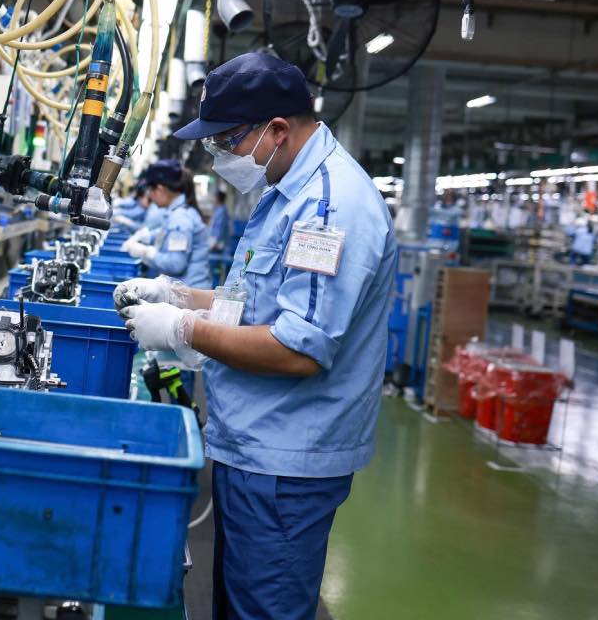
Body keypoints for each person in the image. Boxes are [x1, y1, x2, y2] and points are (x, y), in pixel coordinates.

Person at [114, 52, 397, 620]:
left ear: (276, 130)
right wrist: (175, 295)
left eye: (226, 141)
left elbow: (297, 349)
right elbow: (251, 307)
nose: (218, 156)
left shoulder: (328, 207)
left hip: (285, 464)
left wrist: (180, 328)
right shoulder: (286, 189)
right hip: (256, 448)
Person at [123, 160, 212, 291]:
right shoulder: (177, 212)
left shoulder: (180, 219)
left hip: (188, 295)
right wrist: (148, 236)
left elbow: (176, 264)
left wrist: (146, 253)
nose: (150, 198)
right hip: (185, 292)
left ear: (160, 189)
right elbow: (168, 235)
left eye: (150, 191)